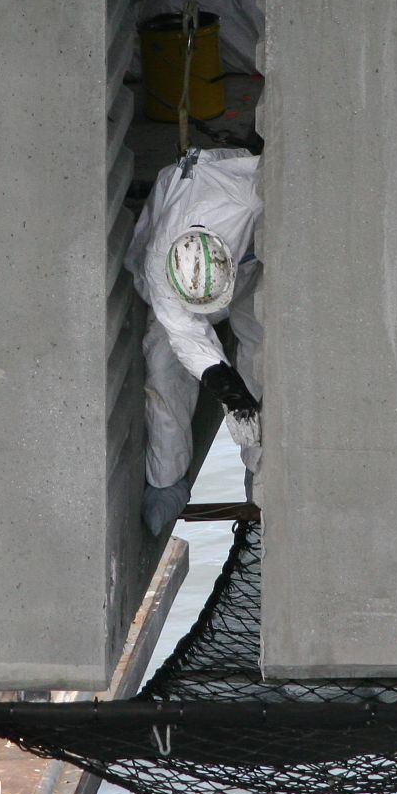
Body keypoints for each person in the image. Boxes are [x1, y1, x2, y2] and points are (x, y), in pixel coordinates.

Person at [125, 147, 263, 536]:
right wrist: (230, 395)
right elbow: (186, 337)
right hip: (186, 251)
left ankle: (261, 473)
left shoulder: (250, 193)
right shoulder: (159, 266)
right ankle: (166, 481)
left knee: (261, 347)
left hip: (251, 257)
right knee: (163, 365)